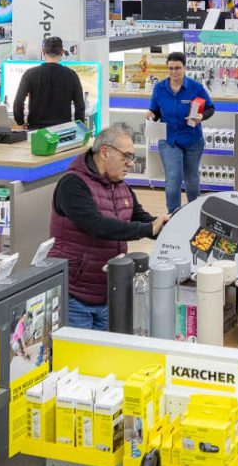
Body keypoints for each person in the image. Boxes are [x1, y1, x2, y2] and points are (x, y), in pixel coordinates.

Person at [50, 123, 168, 330]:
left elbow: (141, 218)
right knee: (81, 357)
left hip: (109, 290)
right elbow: (98, 226)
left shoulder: (121, 186)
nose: (131, 163)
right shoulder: (73, 184)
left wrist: (170, 227)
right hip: (76, 294)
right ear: (105, 152)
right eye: (127, 156)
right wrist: (147, 229)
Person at [147, 52, 214, 213]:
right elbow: (155, 111)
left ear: (184, 68)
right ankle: (173, 216)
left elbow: (211, 108)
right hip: (169, 140)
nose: (174, 72)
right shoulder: (160, 88)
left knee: (192, 181)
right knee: (173, 180)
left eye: (177, 68)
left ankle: (193, 215)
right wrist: (151, 115)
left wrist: (201, 116)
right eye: (170, 68)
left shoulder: (195, 87)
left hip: (192, 140)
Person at [13, 36, 86, 130]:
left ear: (43, 52)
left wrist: (20, 122)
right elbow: (80, 107)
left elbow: (18, 103)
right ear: (62, 53)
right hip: (63, 131)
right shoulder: (72, 75)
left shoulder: (30, 74)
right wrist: (79, 128)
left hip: (36, 132)